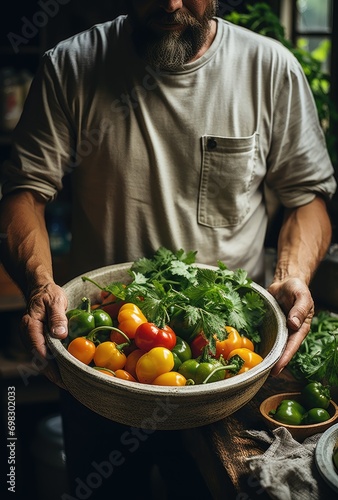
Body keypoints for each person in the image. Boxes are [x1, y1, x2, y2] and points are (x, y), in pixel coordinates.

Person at [0, 1, 336, 498]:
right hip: (101, 366)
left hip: (226, 363)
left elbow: (307, 198)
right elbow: (22, 194)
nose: (173, 3)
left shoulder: (269, 68)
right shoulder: (71, 65)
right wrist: (40, 283)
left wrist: (293, 272)